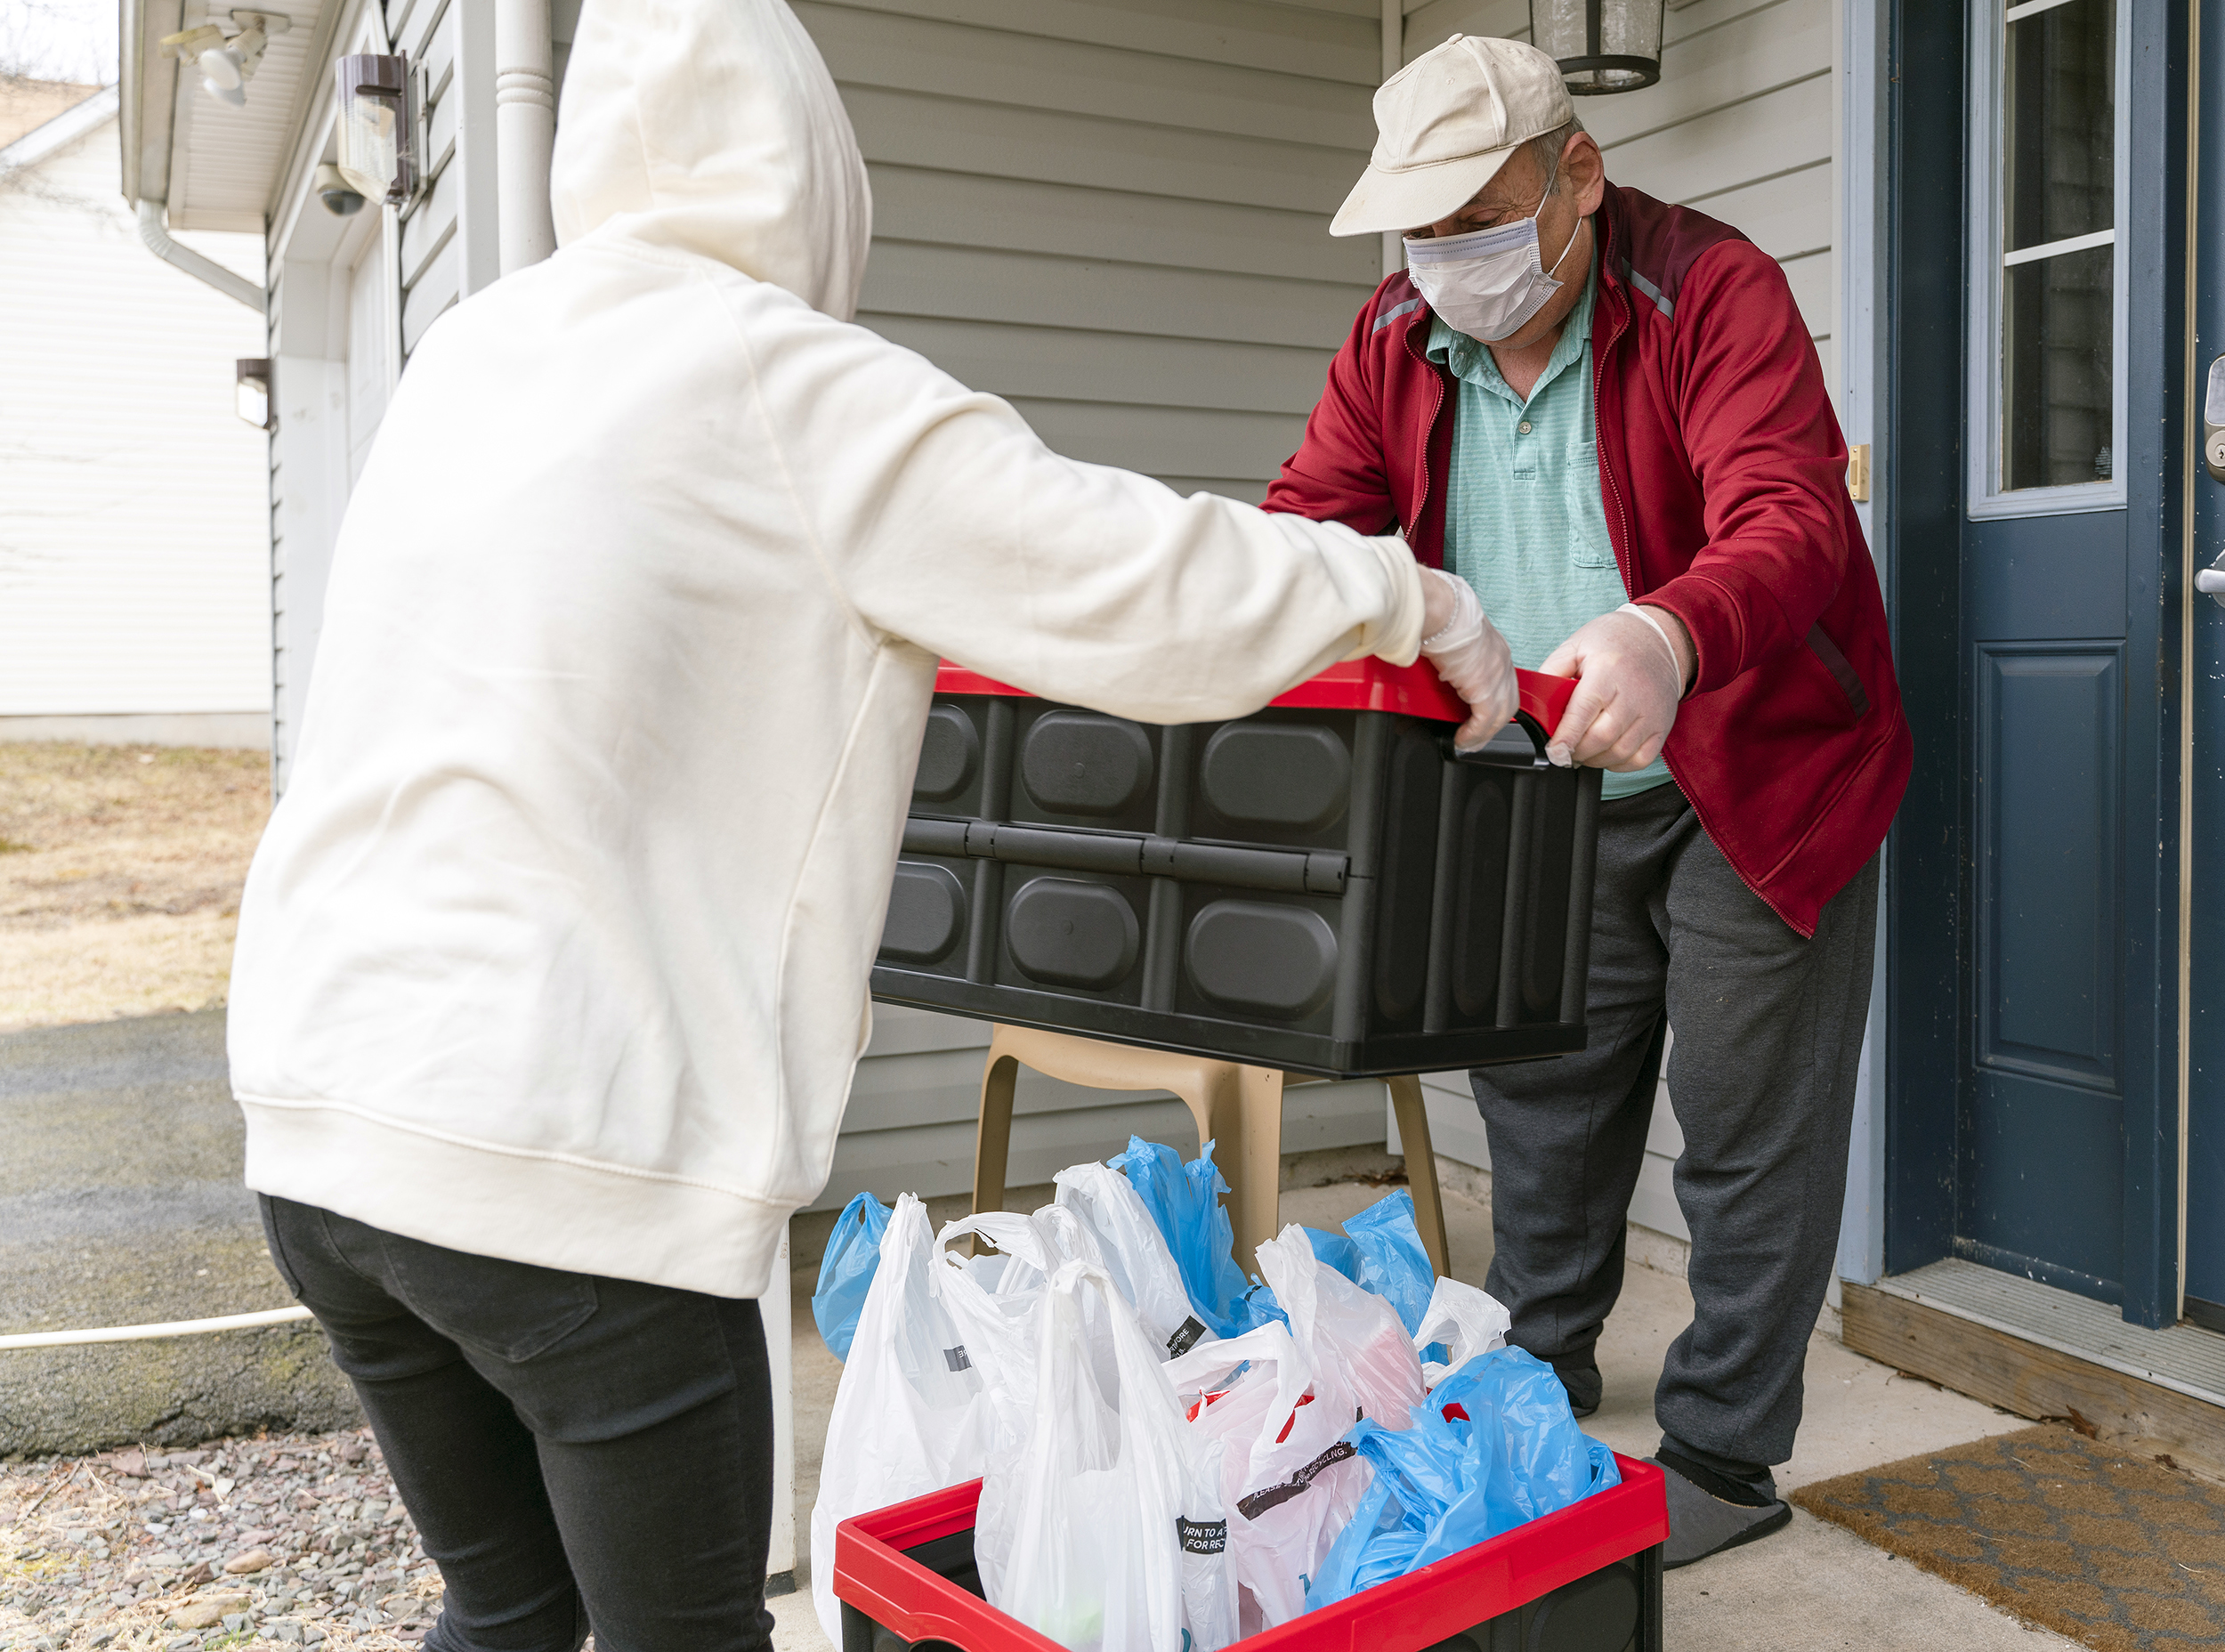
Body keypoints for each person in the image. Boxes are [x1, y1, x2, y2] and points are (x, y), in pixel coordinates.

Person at [223, 2, 1513, 1648]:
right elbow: (1137, 582)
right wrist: (1413, 599)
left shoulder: (475, 352)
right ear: (811, 172)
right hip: (565, 1157)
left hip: (327, 1125)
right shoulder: (786, 380)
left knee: (507, 1617)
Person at [1265, 34, 1913, 1567]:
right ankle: (1533, 1379)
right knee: (1543, 1100)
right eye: (1420, 233)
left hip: (1750, 762)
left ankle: (1722, 1459)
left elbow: (1791, 513)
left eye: (1476, 221)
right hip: (1543, 770)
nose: (1446, 263)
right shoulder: (1391, 337)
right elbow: (1311, 526)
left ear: (1577, 178)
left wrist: (1669, 629)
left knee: (1750, 1127)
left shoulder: (1712, 291)